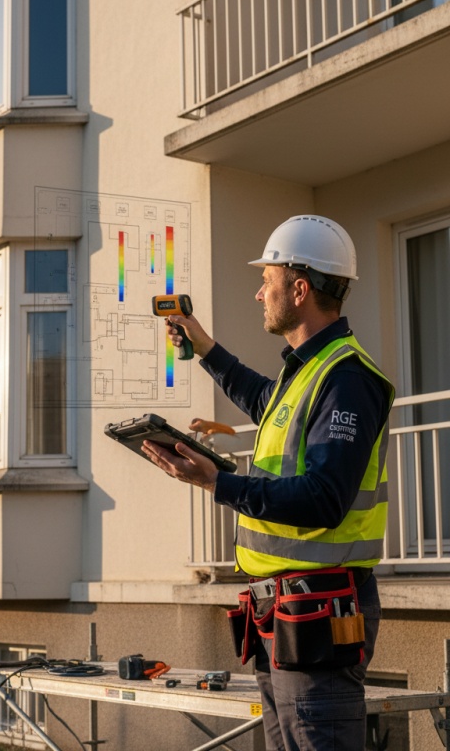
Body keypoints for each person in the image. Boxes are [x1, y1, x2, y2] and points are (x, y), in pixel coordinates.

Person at [142, 215, 394, 751]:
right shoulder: (304, 372)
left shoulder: (347, 379)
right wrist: (204, 345)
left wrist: (218, 483)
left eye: (269, 281)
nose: (259, 293)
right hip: (279, 614)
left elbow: (325, 499)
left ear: (300, 289)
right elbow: (260, 397)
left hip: (320, 615)